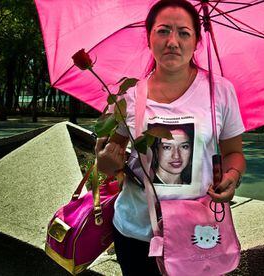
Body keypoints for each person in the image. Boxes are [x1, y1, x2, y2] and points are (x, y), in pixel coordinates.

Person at [95, 0, 246, 275]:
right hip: (136, 232)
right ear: (149, 36)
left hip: (198, 232)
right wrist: (105, 163)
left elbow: (234, 152)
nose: (172, 41)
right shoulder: (128, 96)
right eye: (163, 31)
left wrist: (232, 177)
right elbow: (112, 163)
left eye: (184, 33)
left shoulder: (220, 92)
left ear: (197, 41)